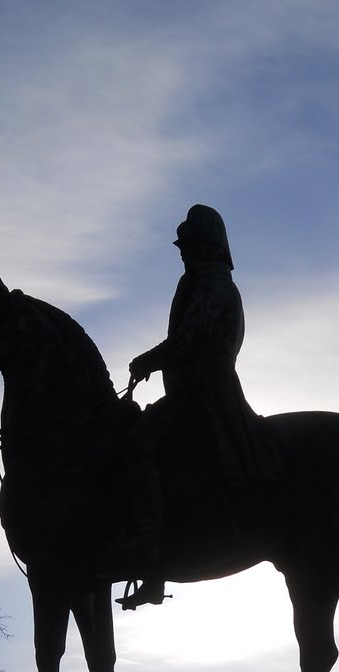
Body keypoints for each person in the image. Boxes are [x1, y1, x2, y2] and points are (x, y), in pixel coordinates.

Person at [117, 205, 276, 610]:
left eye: (188, 246)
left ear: (208, 246)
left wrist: (148, 360)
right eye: (182, 248)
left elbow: (189, 339)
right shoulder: (196, 284)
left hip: (205, 396)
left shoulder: (215, 287)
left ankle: (151, 557)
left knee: (137, 447)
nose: (183, 253)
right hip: (189, 393)